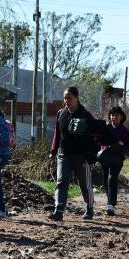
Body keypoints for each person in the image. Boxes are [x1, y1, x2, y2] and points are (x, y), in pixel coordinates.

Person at [48, 87, 96, 221]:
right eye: (65, 98)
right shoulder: (60, 114)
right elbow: (57, 134)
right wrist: (53, 151)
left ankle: (90, 208)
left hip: (81, 156)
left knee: (84, 183)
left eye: (69, 98)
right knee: (61, 182)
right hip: (64, 154)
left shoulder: (85, 114)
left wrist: (91, 152)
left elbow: (96, 133)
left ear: (77, 98)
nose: (66, 100)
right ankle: (59, 210)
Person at [99, 106, 129, 216]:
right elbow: (99, 141)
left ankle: (111, 204)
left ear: (121, 117)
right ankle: (111, 202)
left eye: (117, 115)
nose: (114, 117)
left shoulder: (124, 131)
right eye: (112, 115)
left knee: (112, 177)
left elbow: (128, 145)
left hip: (117, 158)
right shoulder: (106, 128)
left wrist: (124, 151)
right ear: (110, 116)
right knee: (105, 178)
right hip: (105, 157)